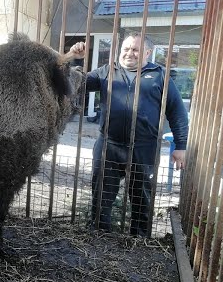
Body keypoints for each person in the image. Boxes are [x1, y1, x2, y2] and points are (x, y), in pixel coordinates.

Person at [66, 32, 188, 236]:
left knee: (141, 198)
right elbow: (76, 84)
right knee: (101, 196)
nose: (129, 53)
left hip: (144, 149)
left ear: (147, 52)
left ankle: (139, 241)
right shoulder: (107, 71)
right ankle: (99, 236)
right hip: (109, 146)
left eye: (135, 49)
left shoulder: (159, 75)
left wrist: (180, 147)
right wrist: (72, 57)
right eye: (126, 49)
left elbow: (177, 112)